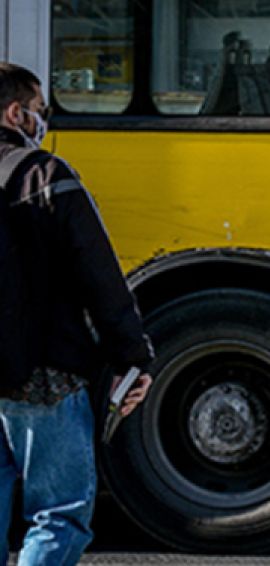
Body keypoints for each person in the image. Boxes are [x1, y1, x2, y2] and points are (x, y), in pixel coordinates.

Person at [0, 63, 154, 566]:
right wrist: (132, 356)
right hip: (46, 374)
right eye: (40, 111)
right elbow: (100, 278)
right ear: (15, 112)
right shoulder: (46, 174)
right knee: (59, 515)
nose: (42, 122)